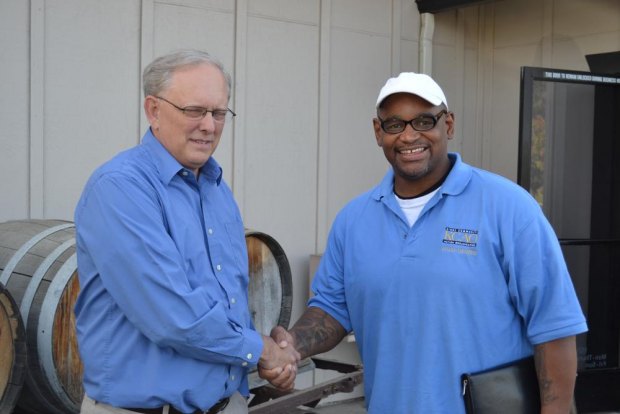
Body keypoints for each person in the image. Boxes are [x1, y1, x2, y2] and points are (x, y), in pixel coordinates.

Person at [261, 72, 588, 413]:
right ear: (378, 132)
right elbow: (332, 308)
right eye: (394, 125)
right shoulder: (353, 221)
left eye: (424, 120)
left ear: (448, 124)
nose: (409, 135)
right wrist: (291, 345)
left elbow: (554, 328)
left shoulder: (508, 208)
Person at [74, 49, 299, 414]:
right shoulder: (120, 188)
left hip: (228, 405)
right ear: (154, 110)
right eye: (195, 111)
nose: (209, 126)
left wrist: (271, 351)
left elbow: (228, 303)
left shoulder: (215, 188)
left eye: (219, 112)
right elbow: (172, 316)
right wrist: (262, 350)